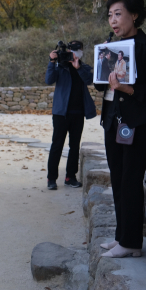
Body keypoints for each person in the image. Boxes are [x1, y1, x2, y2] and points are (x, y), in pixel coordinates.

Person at [96, 0, 146, 258]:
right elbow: (102, 85)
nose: (113, 21)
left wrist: (129, 89)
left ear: (134, 15)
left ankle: (132, 242)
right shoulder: (110, 47)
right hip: (113, 120)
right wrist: (100, 72)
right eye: (110, 15)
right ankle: (122, 237)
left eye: (118, 14)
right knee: (117, 178)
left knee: (131, 180)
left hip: (137, 122)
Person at [45, 40, 96, 190]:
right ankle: (51, 178)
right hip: (61, 113)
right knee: (57, 145)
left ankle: (70, 177)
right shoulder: (60, 66)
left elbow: (89, 80)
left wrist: (78, 67)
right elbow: (49, 80)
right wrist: (52, 61)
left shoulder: (84, 67)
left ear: (81, 51)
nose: (74, 52)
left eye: (77, 49)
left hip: (78, 113)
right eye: (72, 49)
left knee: (74, 146)